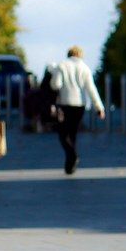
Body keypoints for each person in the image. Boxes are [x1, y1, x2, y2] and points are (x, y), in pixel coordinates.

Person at [50, 45, 104, 175]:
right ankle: (70, 165)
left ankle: (72, 155)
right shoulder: (85, 68)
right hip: (80, 104)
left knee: (63, 133)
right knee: (73, 133)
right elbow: (91, 89)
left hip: (65, 103)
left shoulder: (62, 65)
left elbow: (56, 84)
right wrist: (99, 107)